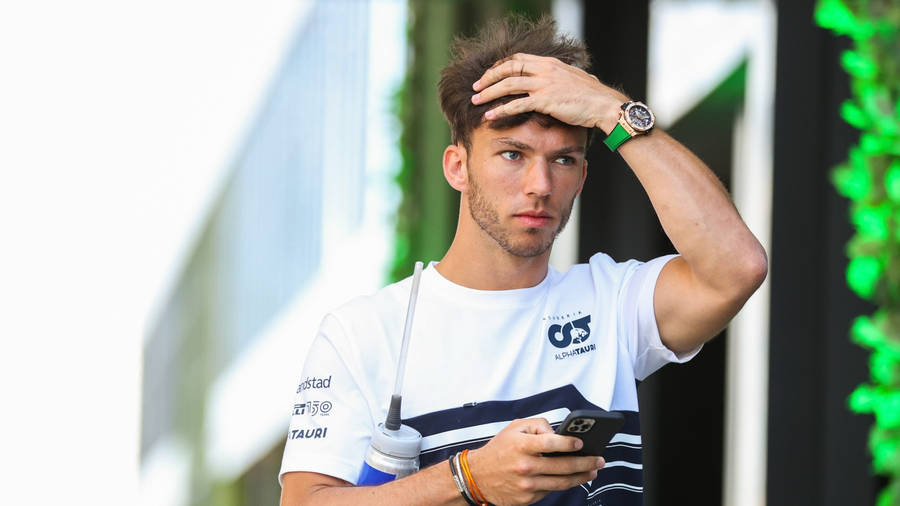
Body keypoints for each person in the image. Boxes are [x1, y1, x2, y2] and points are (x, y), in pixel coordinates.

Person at [279, 14, 767, 506]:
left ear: (581, 176)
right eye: (512, 154)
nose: (540, 185)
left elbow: (737, 268)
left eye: (563, 159)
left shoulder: (612, 302)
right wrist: (468, 478)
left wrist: (612, 108)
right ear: (457, 167)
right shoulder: (363, 333)